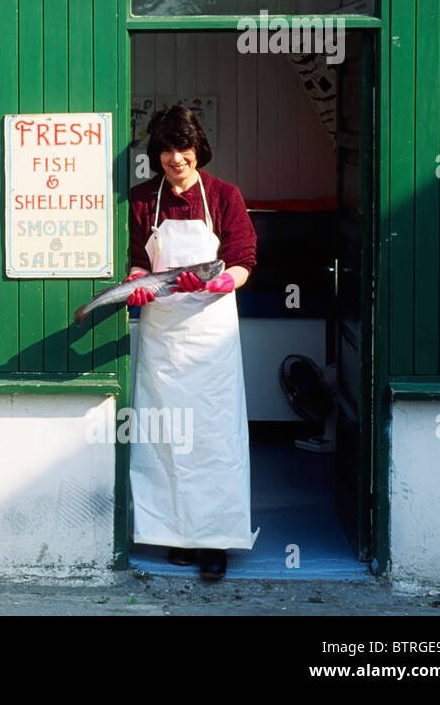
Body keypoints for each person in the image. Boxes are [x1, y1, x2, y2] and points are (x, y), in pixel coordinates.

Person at [125, 104, 258, 580]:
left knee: (213, 438)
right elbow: (140, 260)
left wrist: (226, 281)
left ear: (197, 149)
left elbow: (243, 257)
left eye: (182, 148)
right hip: (163, 336)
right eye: (165, 149)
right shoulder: (143, 199)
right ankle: (174, 536)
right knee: (165, 436)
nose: (175, 158)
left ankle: (215, 540)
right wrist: (138, 282)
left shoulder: (224, 195)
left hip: (211, 336)